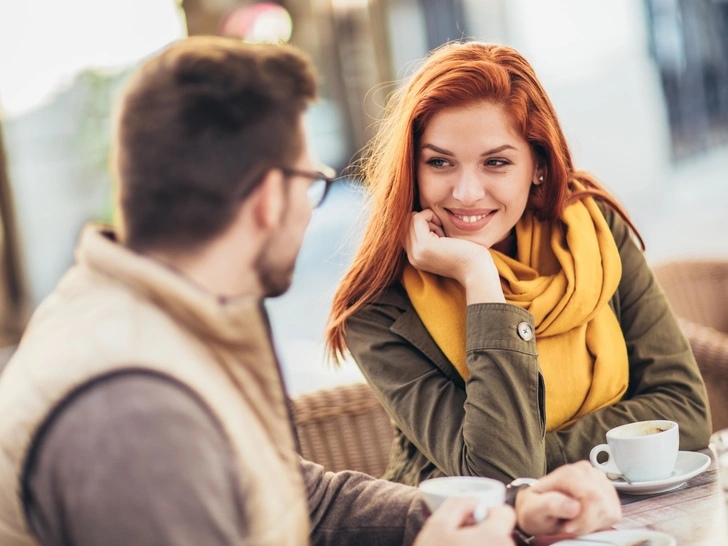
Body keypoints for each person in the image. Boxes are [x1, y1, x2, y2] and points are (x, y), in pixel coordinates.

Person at [0, 37, 621, 546]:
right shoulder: (135, 412)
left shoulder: (155, 317)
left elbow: (306, 499)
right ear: (271, 198)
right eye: (311, 182)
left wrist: (509, 508)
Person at [326, 41, 712, 486]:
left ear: (539, 166)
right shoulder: (380, 308)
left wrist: (536, 452)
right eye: (439, 162)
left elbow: (684, 410)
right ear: (411, 169)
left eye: (496, 162)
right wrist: (478, 276)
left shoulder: (591, 229)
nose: (466, 192)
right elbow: (500, 475)